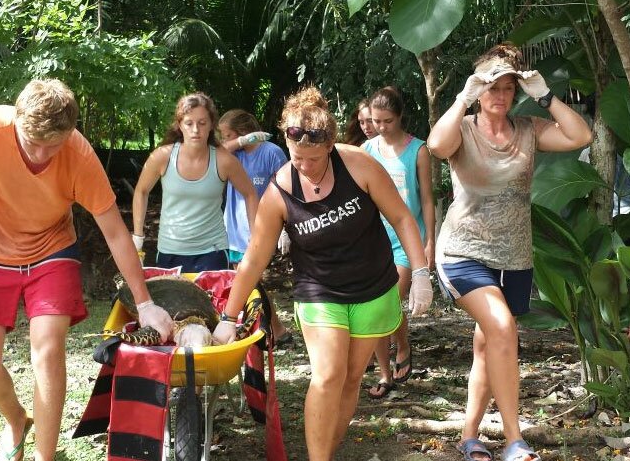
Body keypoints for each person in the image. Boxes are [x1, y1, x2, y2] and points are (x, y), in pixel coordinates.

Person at [0, 79, 174, 461]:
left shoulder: (79, 156)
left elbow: (116, 234)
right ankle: (17, 420)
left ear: (69, 134)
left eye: (51, 145)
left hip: (52, 250)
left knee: (48, 350)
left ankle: (44, 456)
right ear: (16, 123)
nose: (40, 154)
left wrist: (145, 302)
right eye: (31, 142)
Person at [211, 87, 434, 461]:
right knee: (328, 374)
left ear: (329, 146)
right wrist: (228, 318)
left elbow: (400, 217)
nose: (304, 166)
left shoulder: (358, 164)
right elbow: (252, 261)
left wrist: (422, 273)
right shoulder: (280, 191)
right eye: (297, 157)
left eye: (313, 159)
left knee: (349, 381)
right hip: (319, 290)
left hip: (374, 287)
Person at [426, 43, 591, 461]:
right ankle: (514, 440)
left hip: (515, 257)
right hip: (462, 251)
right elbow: (435, 146)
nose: (498, 96)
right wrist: (463, 96)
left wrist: (545, 95)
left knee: (489, 343)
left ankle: (468, 436)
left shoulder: (529, 129)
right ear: (478, 89)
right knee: (503, 328)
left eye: (507, 88)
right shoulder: (462, 127)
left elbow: (580, 135)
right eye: (490, 87)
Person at [360, 86, 435, 398]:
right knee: (376, 307)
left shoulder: (418, 150)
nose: (381, 127)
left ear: (400, 116)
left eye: (387, 120)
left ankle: (402, 344)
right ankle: (384, 373)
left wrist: (430, 241)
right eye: (376, 121)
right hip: (374, 240)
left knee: (389, 303)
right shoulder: (366, 150)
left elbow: (428, 200)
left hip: (407, 241)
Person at [132, 93, 259, 273]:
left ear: (211, 126)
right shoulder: (162, 156)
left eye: (202, 123)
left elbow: (250, 193)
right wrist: (138, 238)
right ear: (179, 125)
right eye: (189, 123)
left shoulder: (223, 160)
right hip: (170, 251)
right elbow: (141, 191)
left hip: (212, 251)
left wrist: (255, 239)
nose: (195, 130)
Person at [217, 109, 293, 346]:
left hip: (261, 228)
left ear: (241, 130)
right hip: (234, 229)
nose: (223, 140)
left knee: (250, 281)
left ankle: (274, 329)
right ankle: (273, 329)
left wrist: (284, 228)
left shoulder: (272, 153)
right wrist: (240, 141)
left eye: (227, 135)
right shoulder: (233, 154)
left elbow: (286, 188)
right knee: (248, 281)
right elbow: (212, 153)